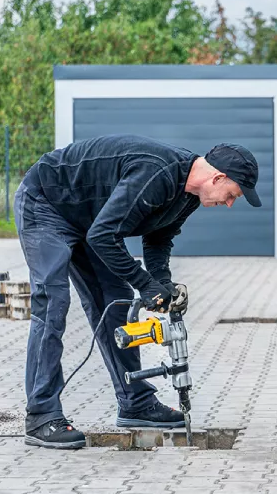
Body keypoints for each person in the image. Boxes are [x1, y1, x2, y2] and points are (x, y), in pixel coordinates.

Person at [14, 134, 261, 450]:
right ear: (218, 177)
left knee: (113, 300)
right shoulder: (157, 173)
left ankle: (135, 402)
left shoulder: (188, 195)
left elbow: (158, 240)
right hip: (46, 202)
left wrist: (162, 283)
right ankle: (41, 416)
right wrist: (145, 285)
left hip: (89, 220)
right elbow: (105, 236)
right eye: (232, 194)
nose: (229, 202)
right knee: (53, 302)